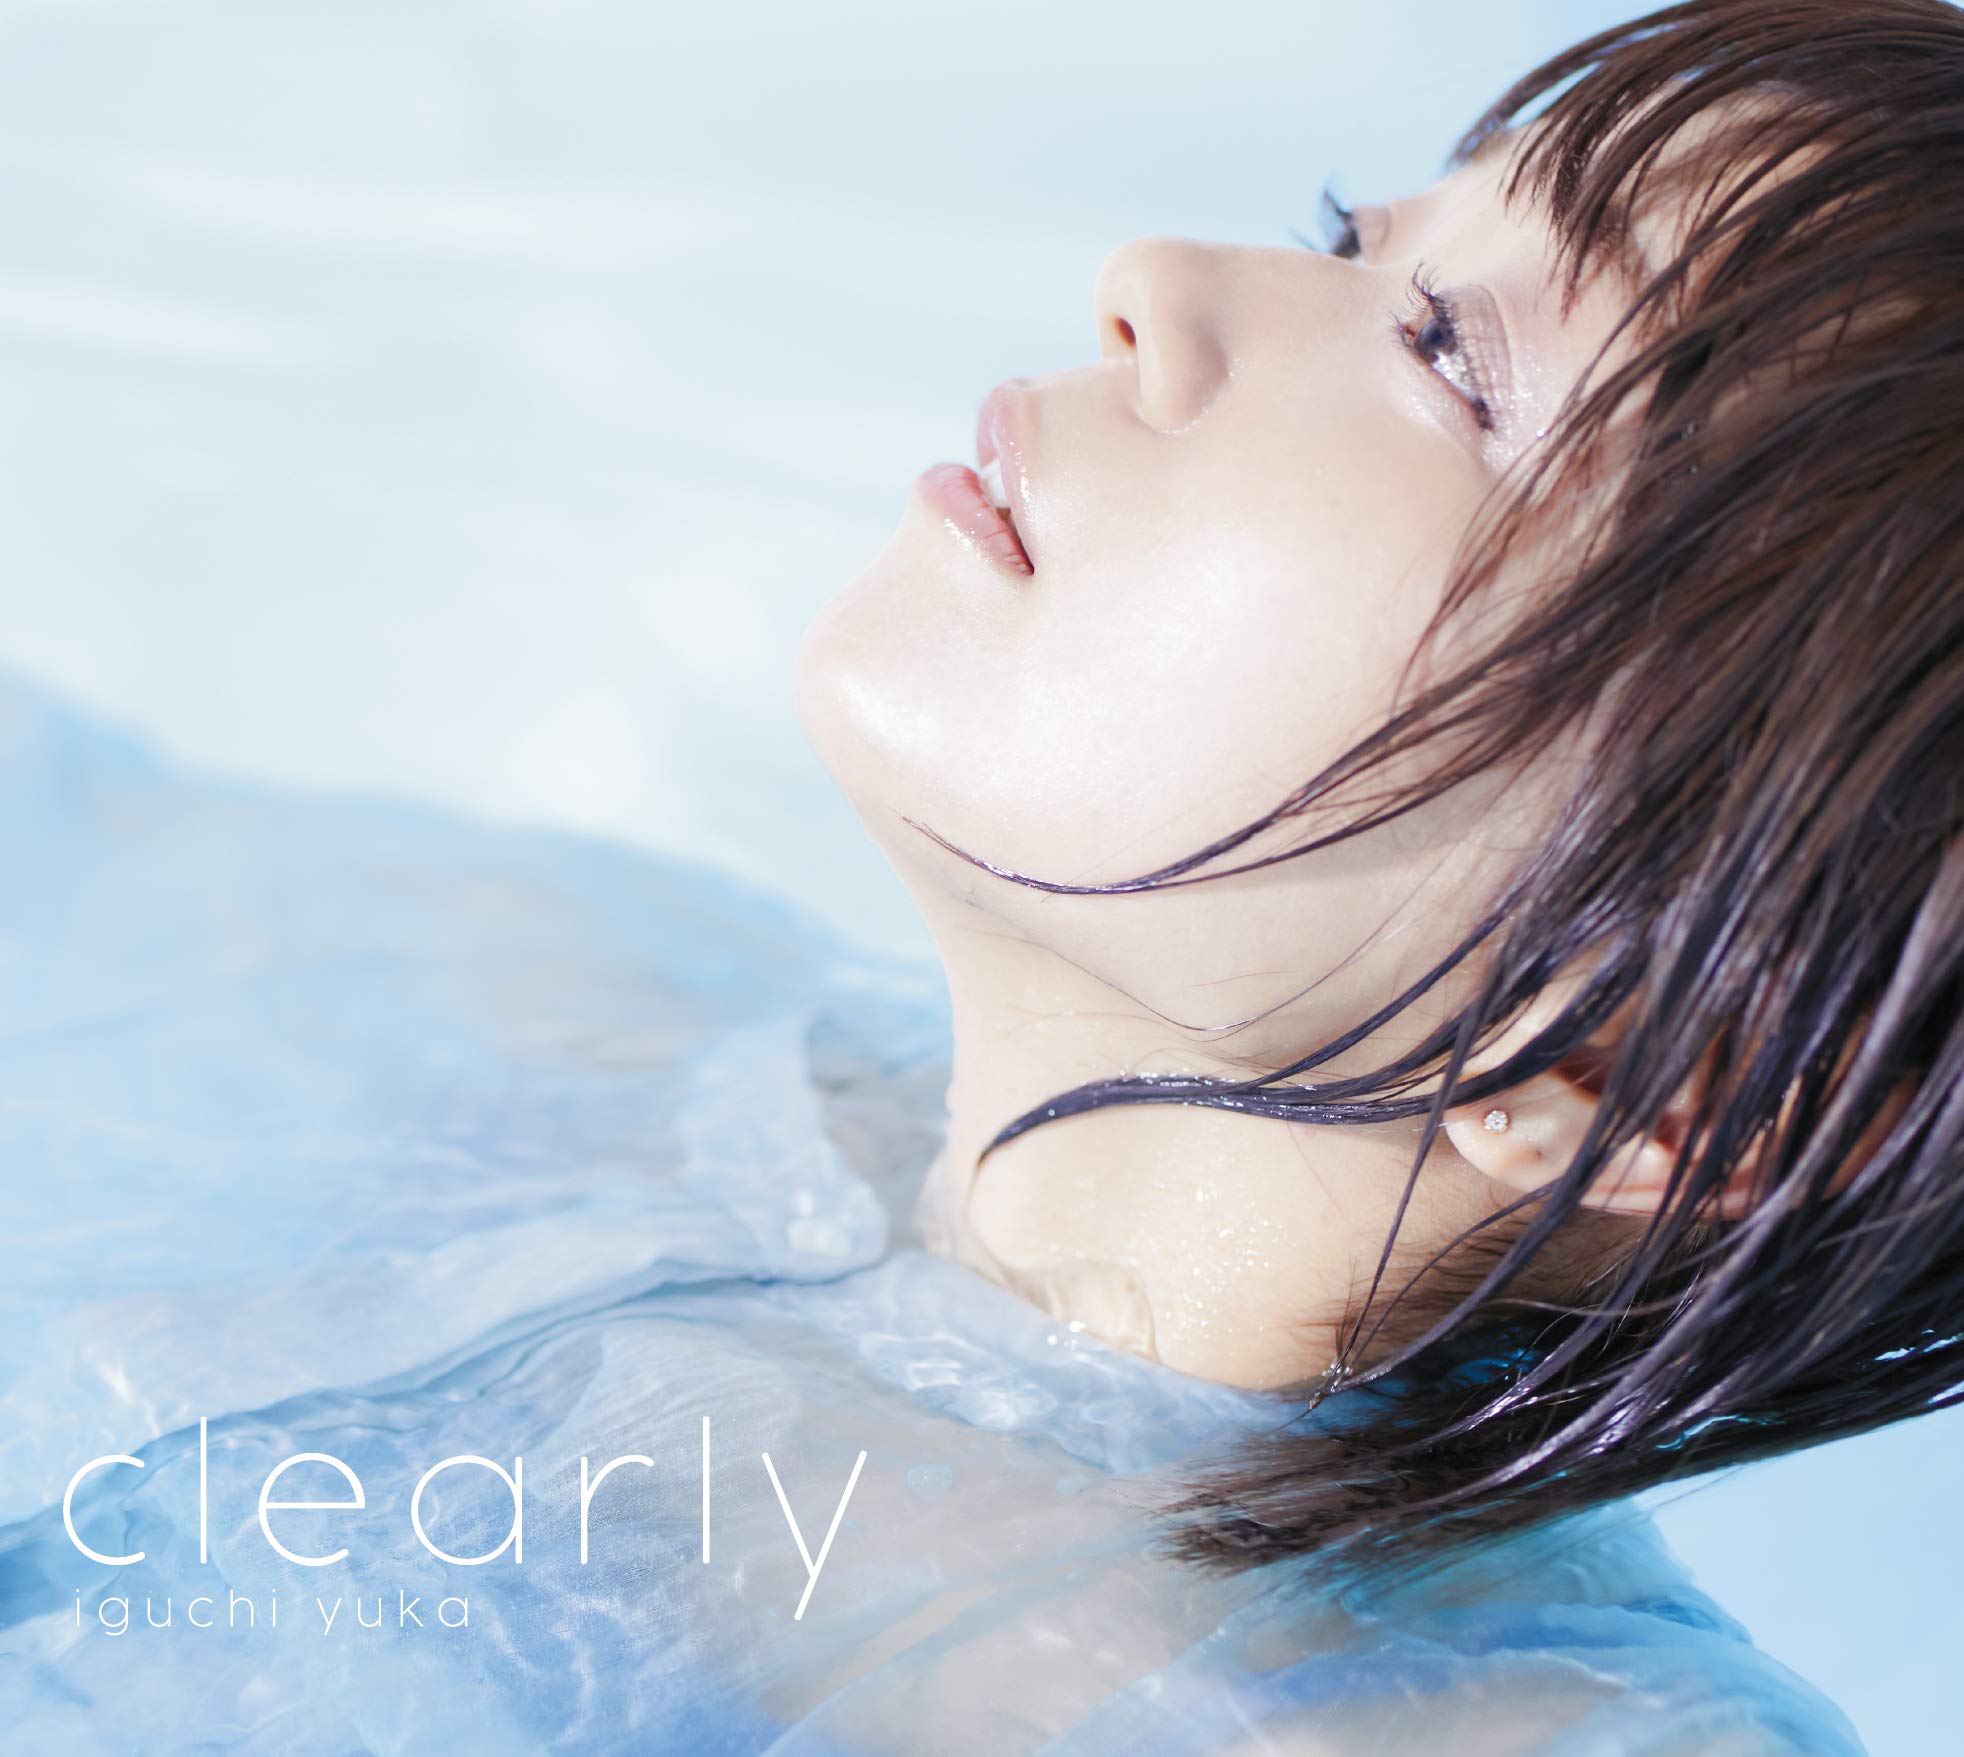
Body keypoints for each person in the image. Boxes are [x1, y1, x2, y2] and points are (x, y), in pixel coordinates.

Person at [798, 0, 1964, 1573]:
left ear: (1646, 1069)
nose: (1155, 276)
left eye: (1449, 355)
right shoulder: (571, 1009)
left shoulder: (1423, 1708)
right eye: (1349, 238)